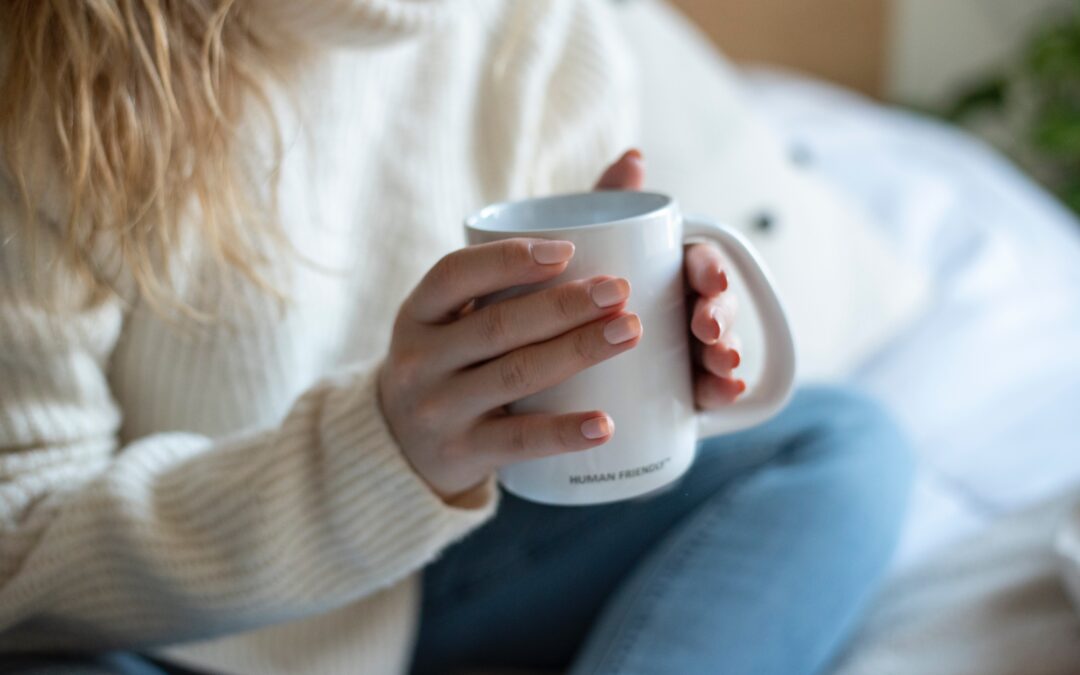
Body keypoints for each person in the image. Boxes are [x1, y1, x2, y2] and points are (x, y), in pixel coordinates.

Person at [0, 1, 913, 673]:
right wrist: (384, 451)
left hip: (440, 581)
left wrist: (659, 369)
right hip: (162, 635)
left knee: (841, 444)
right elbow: (21, 552)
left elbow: (563, 421)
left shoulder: (549, 34)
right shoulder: (45, 76)